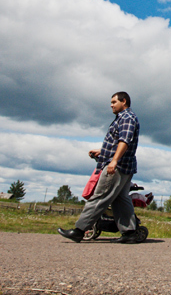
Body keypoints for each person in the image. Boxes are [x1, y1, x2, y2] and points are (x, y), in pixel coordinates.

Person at [58, 91, 140, 243]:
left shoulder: (127, 118)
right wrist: (103, 151)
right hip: (124, 165)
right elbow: (118, 143)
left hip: (117, 166)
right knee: (121, 199)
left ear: (124, 102)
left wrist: (113, 161)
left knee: (99, 197)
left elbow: (125, 141)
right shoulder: (123, 118)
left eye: (114, 102)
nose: (111, 105)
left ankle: (79, 230)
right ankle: (130, 233)